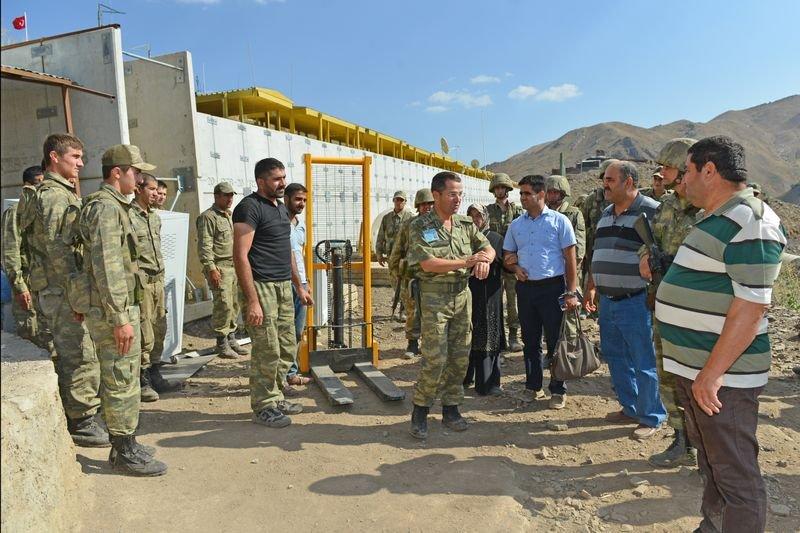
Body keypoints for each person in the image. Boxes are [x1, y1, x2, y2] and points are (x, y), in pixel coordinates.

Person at [656, 136, 786, 533]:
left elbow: (752, 307)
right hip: (699, 372)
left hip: (721, 378)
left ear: (708, 170)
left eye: (688, 172)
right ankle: (713, 525)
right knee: (712, 461)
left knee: (735, 473)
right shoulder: (718, 217)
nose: (682, 183)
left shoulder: (752, 220)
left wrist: (710, 374)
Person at [79, 144, 167, 476]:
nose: (140, 177)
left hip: (122, 305)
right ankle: (122, 451)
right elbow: (107, 265)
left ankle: (126, 442)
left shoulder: (116, 206)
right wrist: (119, 318)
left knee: (126, 378)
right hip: (113, 310)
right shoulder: (105, 208)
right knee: (119, 378)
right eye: (135, 172)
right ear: (118, 173)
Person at [23, 134, 106, 447]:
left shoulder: (56, 193)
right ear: (54, 157)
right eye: (75, 157)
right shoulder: (55, 196)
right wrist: (77, 295)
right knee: (79, 353)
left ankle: (80, 412)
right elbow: (59, 249)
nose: (81, 163)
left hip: (58, 287)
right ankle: (82, 421)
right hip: (62, 290)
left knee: (75, 352)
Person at [406, 171, 494, 439]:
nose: (458, 199)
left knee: (459, 356)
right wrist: (467, 261)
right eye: (452, 194)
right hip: (434, 298)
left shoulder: (466, 224)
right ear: (436, 195)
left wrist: (485, 260)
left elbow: (488, 246)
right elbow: (427, 263)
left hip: (461, 297)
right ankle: (420, 410)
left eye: (460, 194)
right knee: (435, 358)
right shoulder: (420, 226)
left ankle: (451, 408)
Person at [584, 161, 666, 439]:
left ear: (629, 182)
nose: (604, 184)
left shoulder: (652, 212)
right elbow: (600, 253)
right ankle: (630, 407)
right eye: (604, 179)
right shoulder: (607, 212)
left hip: (636, 300)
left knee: (643, 359)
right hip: (607, 301)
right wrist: (593, 286)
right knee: (616, 355)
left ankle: (651, 415)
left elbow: (660, 255)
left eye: (610, 179)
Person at [233, 158, 312, 428]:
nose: (283, 183)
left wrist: (299, 285)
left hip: (283, 286)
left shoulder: (279, 208)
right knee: (267, 348)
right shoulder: (248, 208)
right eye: (277, 178)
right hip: (262, 286)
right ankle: (264, 405)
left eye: (284, 177)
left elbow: (287, 250)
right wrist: (253, 300)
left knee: (288, 344)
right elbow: (240, 256)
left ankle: (276, 395)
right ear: (261, 181)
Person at [638, 138, 700, 468]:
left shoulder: (710, 208)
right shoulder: (666, 207)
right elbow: (649, 243)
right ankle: (681, 438)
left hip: (698, 311)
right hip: (665, 304)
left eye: (667, 167)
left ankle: (707, 446)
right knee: (668, 373)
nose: (661, 173)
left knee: (698, 378)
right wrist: (645, 258)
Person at [504, 175, 580, 409]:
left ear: (541, 195)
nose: (522, 198)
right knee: (530, 340)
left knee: (556, 341)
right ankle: (532, 386)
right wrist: (515, 267)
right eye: (521, 194)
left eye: (526, 193)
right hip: (526, 290)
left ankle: (558, 389)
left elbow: (570, 259)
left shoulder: (560, 222)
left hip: (552, 288)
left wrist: (571, 292)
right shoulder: (516, 225)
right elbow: (507, 255)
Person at [130, 173, 181, 402]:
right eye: (151, 189)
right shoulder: (128, 215)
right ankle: (142, 379)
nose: (155, 193)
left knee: (160, 326)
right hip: (140, 282)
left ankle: (155, 371)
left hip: (157, 280)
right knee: (144, 331)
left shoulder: (154, 217)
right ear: (138, 189)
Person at [1, 166, 52, 350]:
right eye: (37, 183)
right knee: (31, 335)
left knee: (49, 335)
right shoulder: (15, 211)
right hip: (27, 282)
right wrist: (19, 286)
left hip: (45, 282)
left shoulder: (43, 208)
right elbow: (10, 250)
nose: (40, 188)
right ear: (27, 185)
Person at [196, 182, 248, 359]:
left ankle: (231, 338)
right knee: (223, 305)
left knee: (234, 304)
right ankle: (221, 343)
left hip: (234, 266)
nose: (229, 199)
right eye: (226, 195)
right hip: (220, 267)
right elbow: (205, 245)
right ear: (216, 196)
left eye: (231, 195)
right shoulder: (208, 217)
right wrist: (211, 268)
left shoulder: (229, 216)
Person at [463, 203, 506, 396]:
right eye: (471, 216)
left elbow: (500, 261)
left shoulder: (495, 238)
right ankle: (465, 378)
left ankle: (489, 383)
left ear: (485, 217)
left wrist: (483, 259)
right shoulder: (464, 239)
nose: (475, 220)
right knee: (466, 335)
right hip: (467, 294)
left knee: (489, 335)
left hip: (489, 295)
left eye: (478, 216)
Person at [388, 188, 435, 359]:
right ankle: (412, 344)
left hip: (431, 276)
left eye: (430, 204)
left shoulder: (436, 225)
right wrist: (394, 272)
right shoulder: (408, 225)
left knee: (430, 312)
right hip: (411, 276)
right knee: (412, 312)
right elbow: (397, 249)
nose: (427, 207)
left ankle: (428, 344)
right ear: (417, 206)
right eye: (423, 204)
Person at [545, 175, 587, 342]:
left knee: (570, 312)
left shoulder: (574, 214)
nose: (552, 195)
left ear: (563, 193)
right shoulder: (542, 213)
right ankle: (554, 351)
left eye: (555, 192)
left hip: (569, 271)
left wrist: (571, 270)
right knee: (549, 314)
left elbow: (579, 245)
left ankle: (570, 348)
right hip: (548, 273)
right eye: (549, 192)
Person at [486, 173, 524, 352]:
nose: (500, 190)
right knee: (493, 302)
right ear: (493, 190)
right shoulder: (487, 211)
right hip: (493, 263)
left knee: (512, 300)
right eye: (497, 188)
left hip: (510, 263)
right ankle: (497, 337)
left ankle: (513, 335)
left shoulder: (517, 212)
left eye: (503, 187)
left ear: (508, 190)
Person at [284, 182, 313, 390]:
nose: (301, 203)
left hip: (300, 283)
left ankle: (291, 373)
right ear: (286, 199)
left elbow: (299, 256)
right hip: (285, 282)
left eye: (304, 200)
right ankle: (280, 376)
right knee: (283, 332)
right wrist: (298, 284)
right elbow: (286, 258)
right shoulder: (279, 222)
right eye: (297, 199)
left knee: (296, 331)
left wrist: (306, 282)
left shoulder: (299, 224)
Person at [580, 159, 617, 296]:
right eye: (604, 179)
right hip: (593, 252)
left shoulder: (623, 199)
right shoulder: (592, 200)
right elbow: (583, 226)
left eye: (611, 179)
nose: (607, 183)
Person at [376, 190, 413, 315]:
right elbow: (381, 236)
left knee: (404, 285)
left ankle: (404, 312)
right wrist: (379, 254)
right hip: (391, 258)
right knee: (394, 283)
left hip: (405, 258)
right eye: (397, 199)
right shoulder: (387, 218)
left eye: (401, 200)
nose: (399, 202)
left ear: (405, 202)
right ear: (393, 201)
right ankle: (400, 309)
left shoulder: (410, 218)